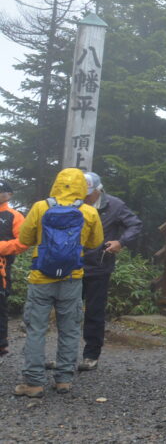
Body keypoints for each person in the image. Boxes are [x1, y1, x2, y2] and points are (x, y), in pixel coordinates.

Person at [14, 168, 103, 397]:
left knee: (36, 330)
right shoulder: (88, 212)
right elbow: (95, 243)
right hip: (72, 278)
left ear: (57, 184)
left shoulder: (40, 207)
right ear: (82, 188)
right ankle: (63, 380)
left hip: (41, 278)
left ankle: (33, 383)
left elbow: (24, 239)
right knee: (70, 330)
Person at [79, 171, 142, 370]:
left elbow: (135, 225)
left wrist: (120, 242)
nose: (84, 195)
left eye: (88, 192)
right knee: (67, 310)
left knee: (95, 312)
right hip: (72, 264)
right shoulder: (73, 201)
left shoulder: (114, 205)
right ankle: (64, 355)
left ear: (98, 190)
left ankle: (91, 355)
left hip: (99, 264)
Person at [0, 180, 29, 357]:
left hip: (2, 269)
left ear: (8, 194)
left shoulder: (14, 215)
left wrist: (1, 248)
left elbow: (24, 241)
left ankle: (1, 347)